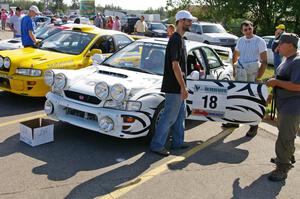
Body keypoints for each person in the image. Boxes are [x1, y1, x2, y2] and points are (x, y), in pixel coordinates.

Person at [150, 10, 197, 156]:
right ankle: (157, 145)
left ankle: (177, 142)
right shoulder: (175, 39)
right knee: (169, 117)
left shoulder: (180, 39)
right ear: (181, 21)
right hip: (174, 87)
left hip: (178, 87)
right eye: (189, 21)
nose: (191, 23)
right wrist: (183, 87)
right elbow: (175, 66)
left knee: (180, 116)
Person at [222, 20, 267, 138]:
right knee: (236, 97)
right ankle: (234, 121)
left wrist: (258, 77)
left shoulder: (259, 41)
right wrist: (234, 69)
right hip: (241, 72)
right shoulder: (240, 40)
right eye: (245, 29)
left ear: (252, 28)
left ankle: (254, 126)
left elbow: (264, 61)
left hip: (252, 73)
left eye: (249, 28)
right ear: (242, 31)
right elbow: (235, 54)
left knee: (251, 100)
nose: (248, 31)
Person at [266, 33, 300, 182]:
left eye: (281, 44)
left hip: (292, 107)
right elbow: (281, 80)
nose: (277, 47)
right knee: (285, 133)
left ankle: (282, 168)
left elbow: (297, 86)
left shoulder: (298, 61)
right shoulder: (288, 60)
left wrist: (276, 83)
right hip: (284, 104)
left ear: (290, 45)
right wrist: (272, 94)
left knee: (284, 138)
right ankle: (287, 155)